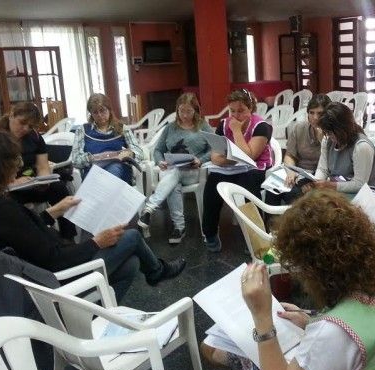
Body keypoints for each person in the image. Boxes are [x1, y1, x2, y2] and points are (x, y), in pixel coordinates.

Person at [201, 189, 375, 370]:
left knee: (210, 348)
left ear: (316, 269)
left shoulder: (334, 334)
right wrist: (311, 320)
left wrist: (262, 318)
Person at [0, 130, 186, 301]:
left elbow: (22, 237)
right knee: (132, 237)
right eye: (14, 161)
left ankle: (95, 317)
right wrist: (97, 242)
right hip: (57, 281)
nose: (19, 167)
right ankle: (157, 272)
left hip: (25, 281)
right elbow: (55, 259)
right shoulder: (0, 210)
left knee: (131, 264)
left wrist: (52, 212)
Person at [0, 102, 77, 241]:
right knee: (10, 203)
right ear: (11, 115)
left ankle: (68, 237)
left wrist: (44, 180)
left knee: (59, 188)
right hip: (5, 188)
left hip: (30, 183)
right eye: (22, 123)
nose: (25, 129)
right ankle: (28, 238)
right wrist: (12, 183)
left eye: (30, 126)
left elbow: (42, 166)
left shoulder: (34, 137)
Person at [202, 89, 273, 252]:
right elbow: (215, 157)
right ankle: (210, 233)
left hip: (255, 167)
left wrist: (236, 131)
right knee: (212, 182)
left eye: (241, 111)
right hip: (231, 167)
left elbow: (250, 156)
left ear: (251, 109)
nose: (235, 115)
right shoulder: (223, 124)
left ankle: (255, 237)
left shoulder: (262, 126)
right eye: (232, 111)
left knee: (249, 184)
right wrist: (233, 159)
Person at [137, 93, 212, 243]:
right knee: (173, 182)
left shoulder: (203, 126)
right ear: (177, 109)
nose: (185, 115)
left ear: (196, 110)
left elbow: (214, 149)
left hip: (193, 171)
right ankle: (179, 228)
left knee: (173, 174)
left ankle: (149, 208)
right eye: (181, 110)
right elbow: (158, 150)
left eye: (189, 111)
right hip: (171, 171)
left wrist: (201, 160)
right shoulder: (170, 127)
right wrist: (159, 161)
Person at [265, 94, 331, 206]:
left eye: (320, 113)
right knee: (272, 189)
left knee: (293, 194)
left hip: (319, 176)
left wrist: (322, 140)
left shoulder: (332, 134)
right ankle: (270, 218)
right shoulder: (299, 128)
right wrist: (291, 171)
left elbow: (330, 164)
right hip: (299, 171)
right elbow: (290, 155)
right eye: (311, 113)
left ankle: (293, 217)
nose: (315, 117)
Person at [308, 102, 375, 196]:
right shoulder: (328, 140)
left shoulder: (361, 146)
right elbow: (323, 169)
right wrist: (317, 183)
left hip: (363, 195)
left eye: (331, 133)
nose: (329, 136)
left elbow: (360, 184)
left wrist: (330, 186)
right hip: (337, 190)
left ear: (342, 129)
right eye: (327, 132)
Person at [72, 93, 144, 184]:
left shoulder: (122, 128)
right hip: (94, 173)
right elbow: (75, 160)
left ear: (109, 110)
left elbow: (139, 152)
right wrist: (92, 158)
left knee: (114, 168)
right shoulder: (82, 130)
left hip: (119, 172)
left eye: (102, 110)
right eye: (95, 112)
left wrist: (129, 154)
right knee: (98, 175)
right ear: (91, 114)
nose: (99, 115)